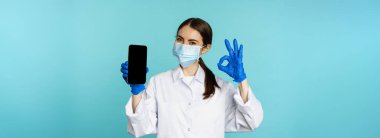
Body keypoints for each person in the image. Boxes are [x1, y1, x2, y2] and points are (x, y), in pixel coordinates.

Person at [120, 18, 263, 138]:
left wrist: (241, 80)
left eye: (192, 43)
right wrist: (137, 90)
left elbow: (251, 122)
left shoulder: (222, 88)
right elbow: (140, 127)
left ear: (205, 48)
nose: (183, 46)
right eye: (180, 39)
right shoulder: (159, 82)